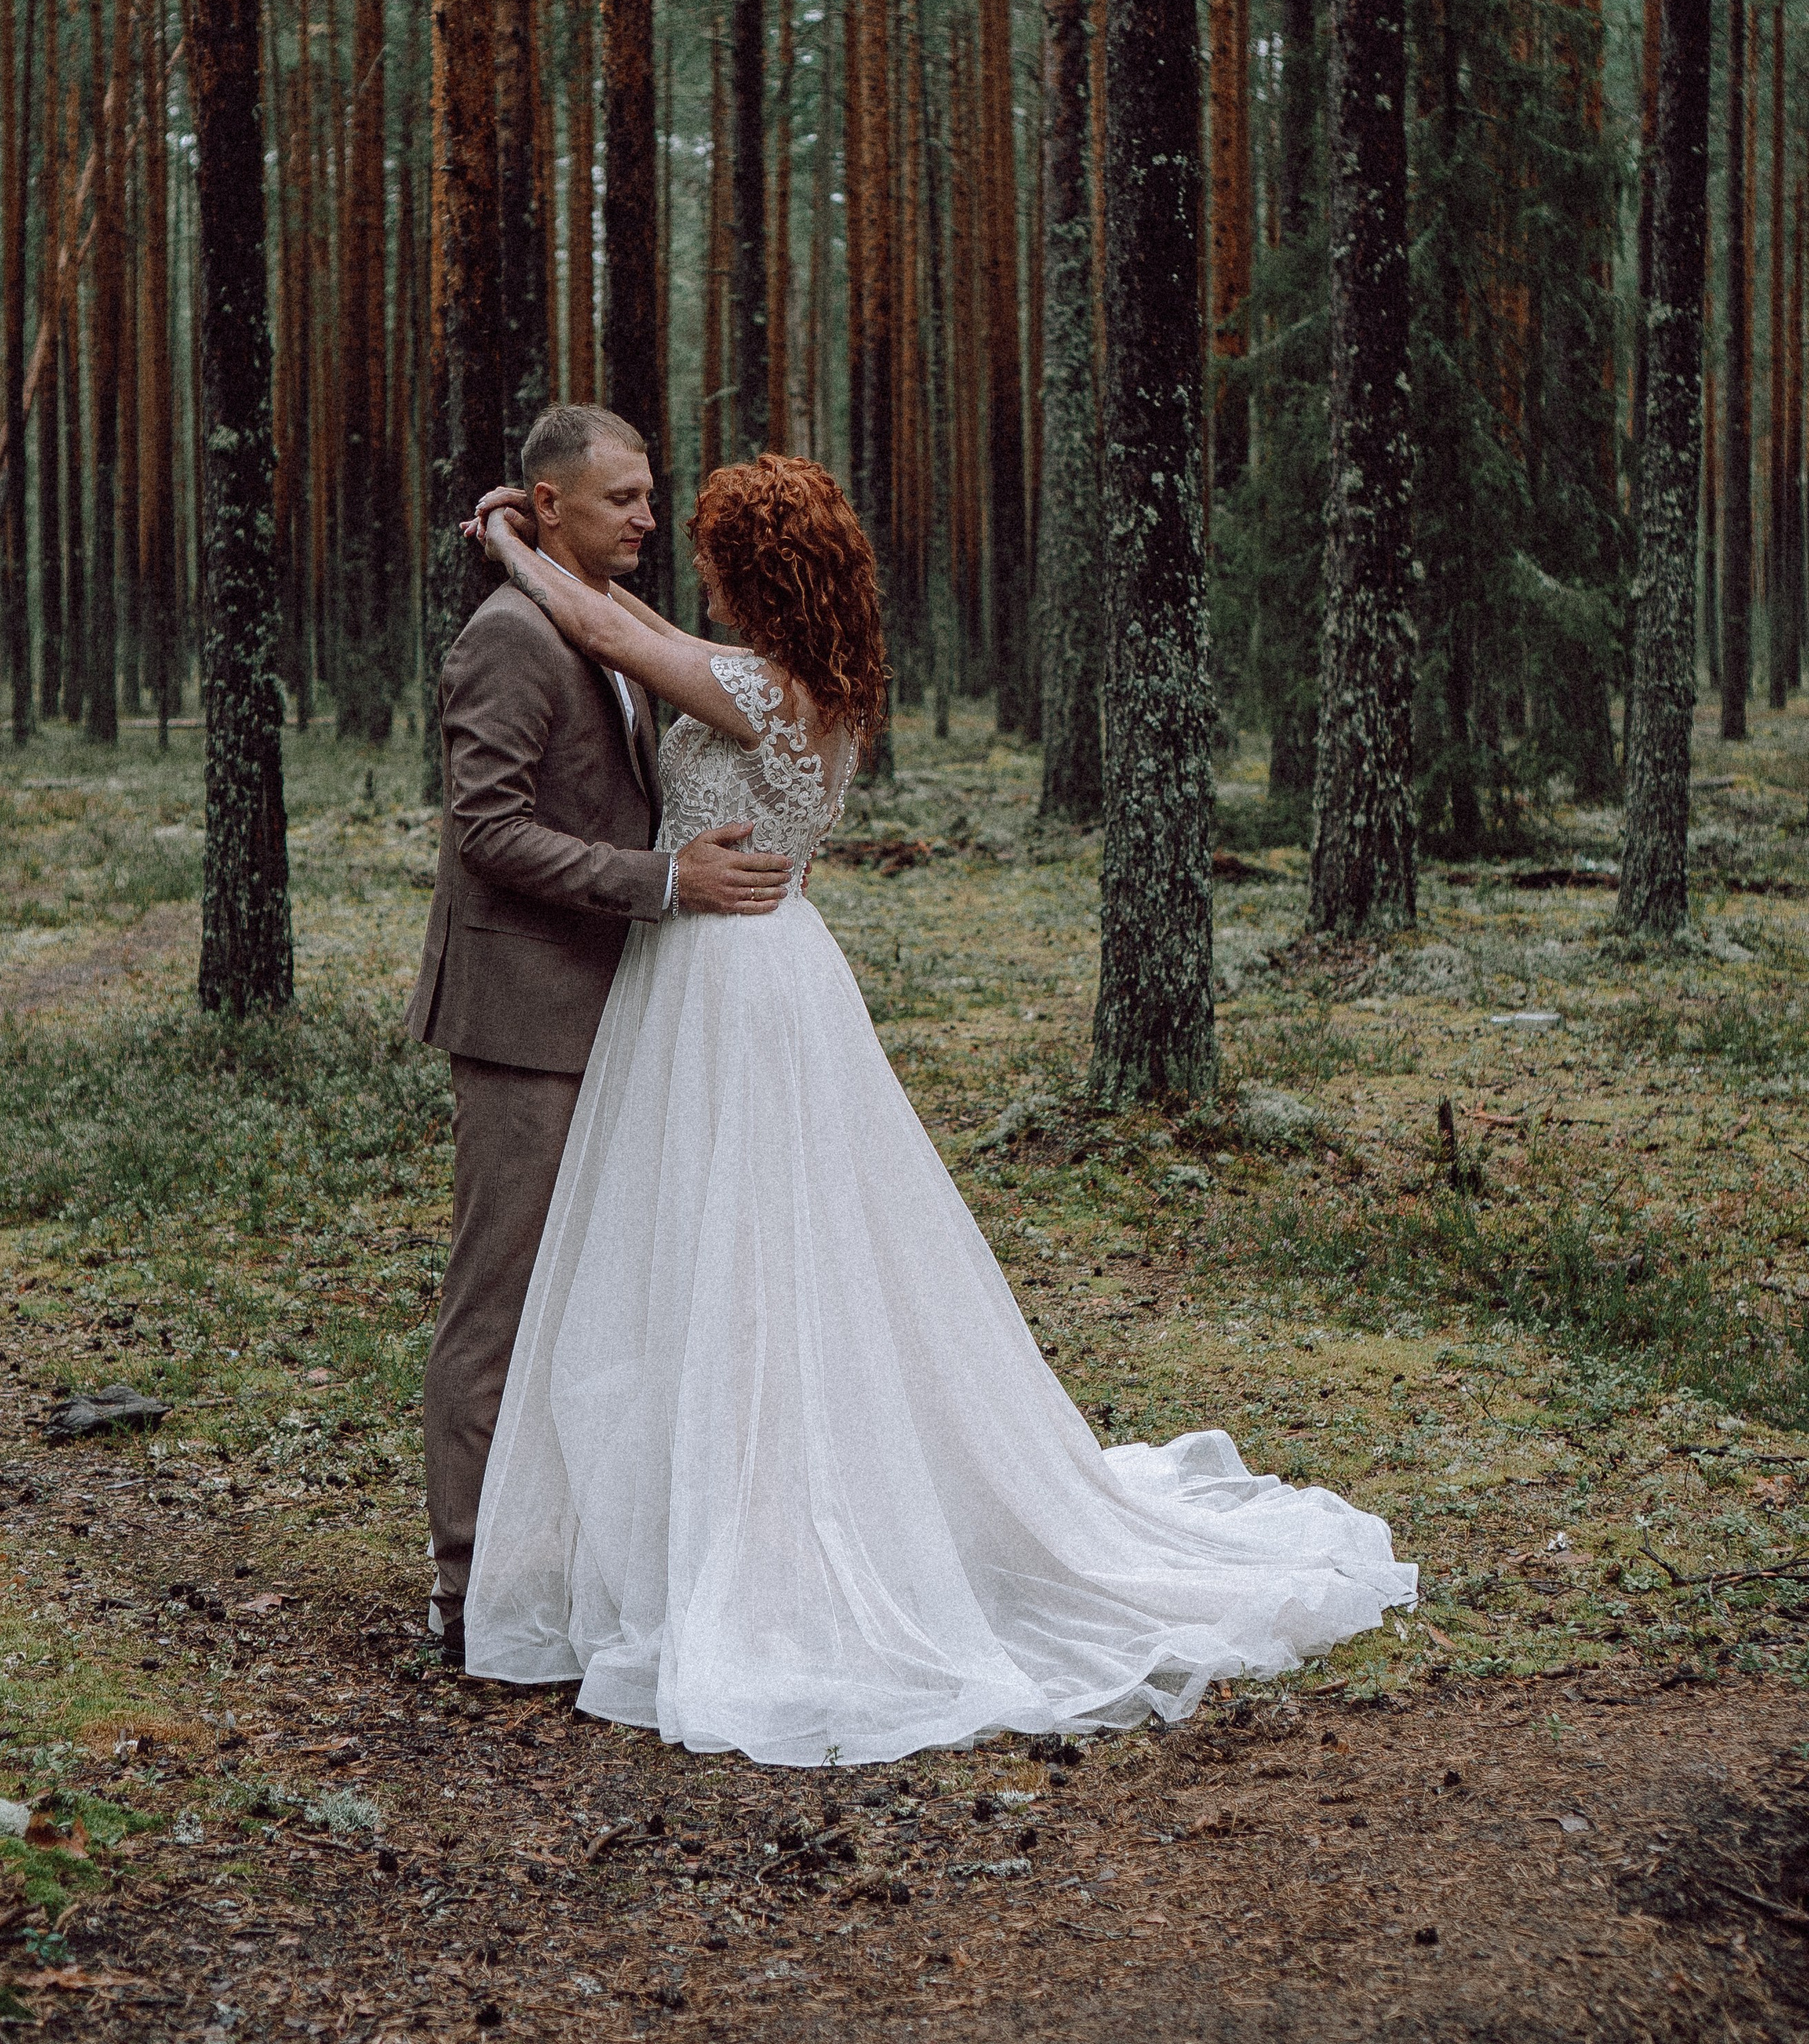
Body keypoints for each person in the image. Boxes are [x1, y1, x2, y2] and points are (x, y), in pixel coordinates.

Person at [461, 449, 1415, 1766]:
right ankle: (719, 1505)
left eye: (723, 558)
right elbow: (642, 630)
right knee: (751, 1255)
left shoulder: (759, 690)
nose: (699, 574)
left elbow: (617, 634)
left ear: (761, 575)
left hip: (732, 983)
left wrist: (513, 547)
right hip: (751, 973)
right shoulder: (800, 681)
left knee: (747, 1258)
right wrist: (554, 558)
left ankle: (759, 1527)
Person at [404, 404, 792, 1668]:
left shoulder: (596, 619)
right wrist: (664, 879)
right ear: (551, 502)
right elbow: (487, 831)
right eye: (622, 498)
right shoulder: (509, 639)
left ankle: (563, 1570)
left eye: (649, 494)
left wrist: (518, 549)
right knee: (502, 1299)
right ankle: (468, 1590)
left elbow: (629, 649)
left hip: (621, 1014)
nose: (647, 517)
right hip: (525, 1019)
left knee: (598, 1300)